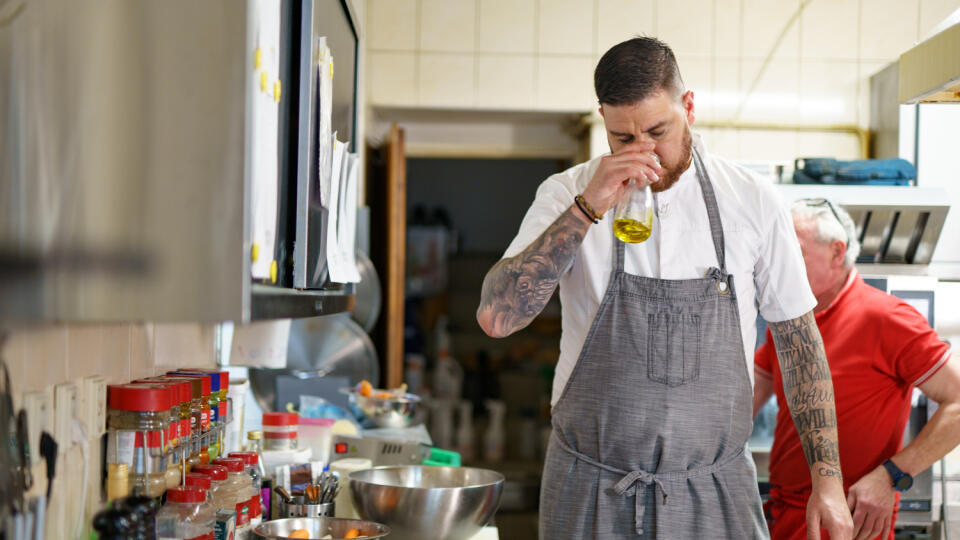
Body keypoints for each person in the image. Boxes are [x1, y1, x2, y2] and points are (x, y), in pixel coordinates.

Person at [476, 36, 853, 539]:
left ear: (688, 107)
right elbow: (498, 319)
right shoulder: (567, 193)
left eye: (658, 131)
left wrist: (827, 483)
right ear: (603, 121)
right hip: (592, 485)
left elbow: (799, 345)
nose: (642, 153)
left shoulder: (751, 199)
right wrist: (588, 209)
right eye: (622, 138)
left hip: (715, 490)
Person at [754, 199, 960, 540]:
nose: (779, 265)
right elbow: (743, 401)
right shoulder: (788, 324)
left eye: (794, 252)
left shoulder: (886, 317)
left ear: (837, 252)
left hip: (850, 519)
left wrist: (891, 475)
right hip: (786, 512)